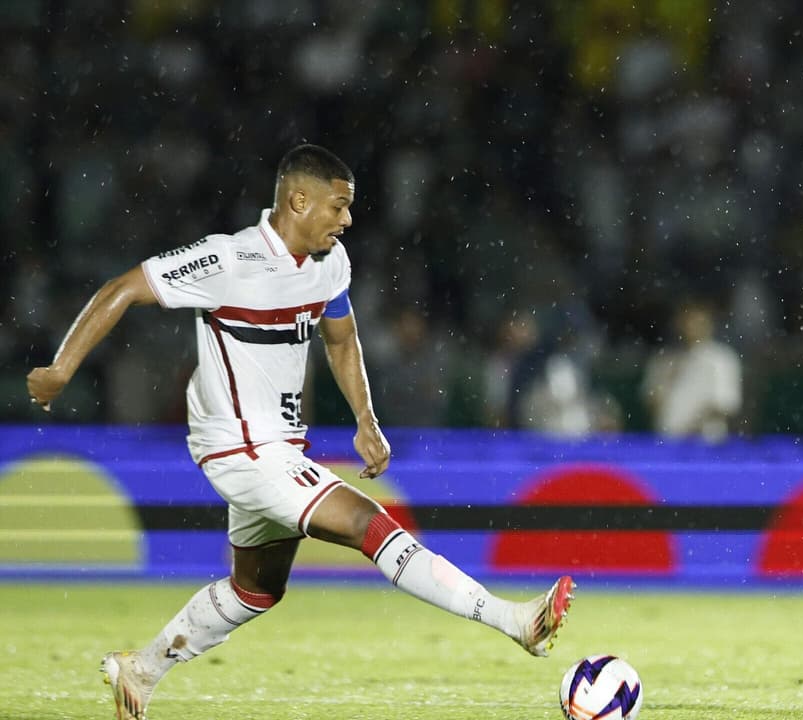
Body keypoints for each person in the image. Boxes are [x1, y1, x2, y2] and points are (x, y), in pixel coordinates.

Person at [26, 144, 575, 720]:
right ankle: (515, 621)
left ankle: (141, 669)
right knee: (370, 524)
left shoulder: (330, 265)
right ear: (299, 199)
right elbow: (123, 289)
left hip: (279, 449)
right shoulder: (228, 259)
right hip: (238, 446)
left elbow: (341, 340)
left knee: (256, 590)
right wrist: (62, 368)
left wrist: (366, 419)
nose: (348, 220)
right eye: (339, 206)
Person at [641, 299, 743, 442]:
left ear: (709, 324)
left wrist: (690, 427)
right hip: (668, 442)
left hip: (705, 443)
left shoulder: (722, 359)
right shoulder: (663, 358)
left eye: (697, 321)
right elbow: (651, 400)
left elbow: (725, 404)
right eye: (686, 320)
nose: (690, 326)